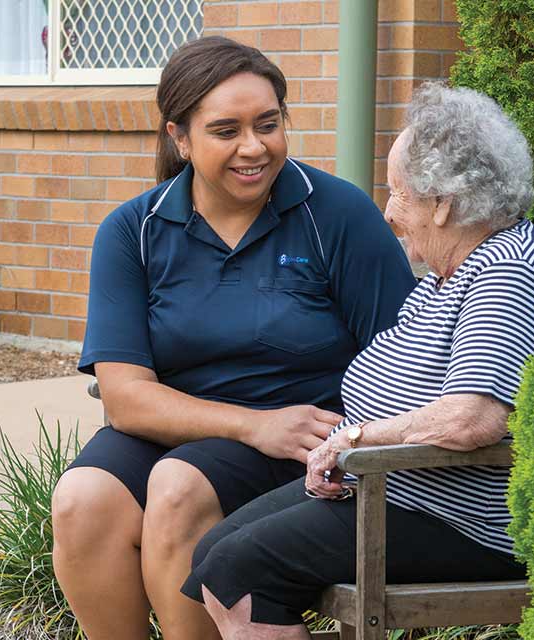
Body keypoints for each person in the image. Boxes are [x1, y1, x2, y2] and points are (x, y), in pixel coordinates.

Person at [53, 36, 416, 640]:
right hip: (190, 428)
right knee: (81, 500)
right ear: (180, 137)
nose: (254, 147)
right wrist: (250, 425)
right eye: (226, 131)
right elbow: (124, 398)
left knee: (177, 487)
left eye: (268, 125)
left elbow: (409, 355)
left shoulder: (336, 215)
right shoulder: (132, 233)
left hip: (306, 442)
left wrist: (334, 435)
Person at [181, 83, 534, 638]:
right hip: (391, 493)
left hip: (465, 521)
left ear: (444, 203)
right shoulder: (446, 276)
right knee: (215, 554)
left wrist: (356, 441)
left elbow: (472, 417)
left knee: (241, 572)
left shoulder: (506, 267)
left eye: (399, 193)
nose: (388, 210)